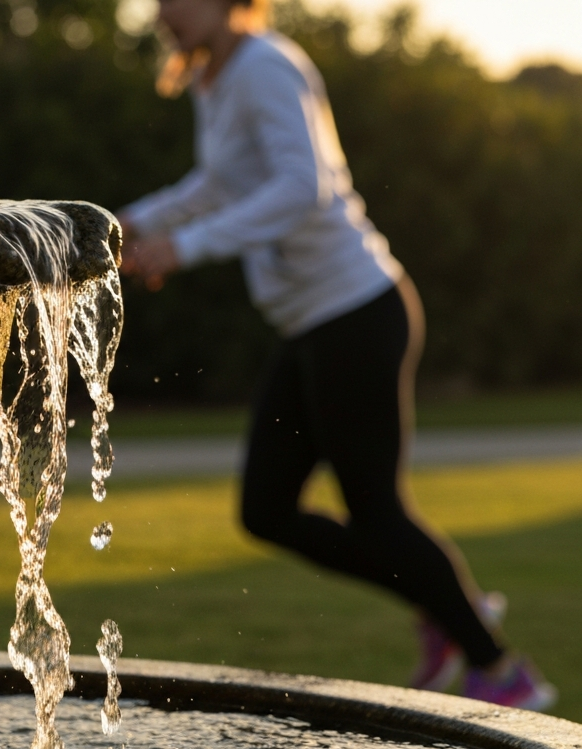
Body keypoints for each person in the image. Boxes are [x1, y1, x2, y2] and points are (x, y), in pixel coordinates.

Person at [117, 0, 555, 709]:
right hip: (315, 324)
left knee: (378, 512)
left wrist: (184, 247)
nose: (163, 10)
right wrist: (134, 222)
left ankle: (501, 672)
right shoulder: (215, 79)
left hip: (355, 311)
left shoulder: (265, 66)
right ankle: (445, 609)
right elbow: (219, 185)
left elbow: (302, 188)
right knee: (267, 508)